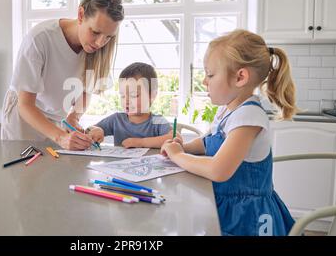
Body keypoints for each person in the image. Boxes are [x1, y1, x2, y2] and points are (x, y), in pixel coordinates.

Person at [161, 29, 297, 236]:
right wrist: (184, 146)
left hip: (247, 218)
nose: (205, 81)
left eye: (210, 74)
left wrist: (178, 155)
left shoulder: (249, 116)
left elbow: (219, 170)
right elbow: (210, 141)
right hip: (227, 206)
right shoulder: (228, 109)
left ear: (240, 77)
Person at [1, 0, 124, 150]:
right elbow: (25, 105)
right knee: (24, 171)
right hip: (24, 117)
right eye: (95, 32)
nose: (100, 43)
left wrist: (74, 117)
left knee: (55, 172)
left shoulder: (98, 50)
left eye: (108, 37)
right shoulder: (40, 38)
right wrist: (60, 137)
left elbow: (86, 91)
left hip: (56, 118)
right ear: (81, 15)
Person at [87, 62, 177, 148]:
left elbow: (174, 138)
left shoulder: (158, 121)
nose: (126, 101)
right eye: (122, 96)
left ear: (152, 96)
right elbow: (89, 129)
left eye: (133, 95)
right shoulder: (116, 119)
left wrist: (141, 142)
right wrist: (96, 130)